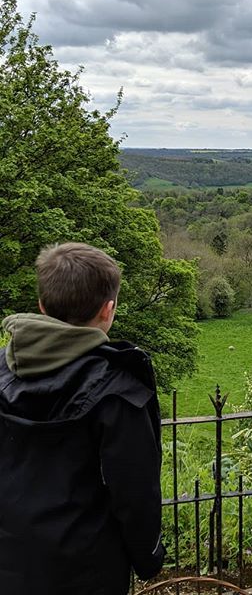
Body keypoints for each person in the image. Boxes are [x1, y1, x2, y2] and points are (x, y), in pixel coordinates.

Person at [0, 243, 165, 595]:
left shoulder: (4, 369)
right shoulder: (119, 390)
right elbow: (135, 492)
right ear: (109, 310)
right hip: (86, 569)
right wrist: (148, 558)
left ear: (42, 306)